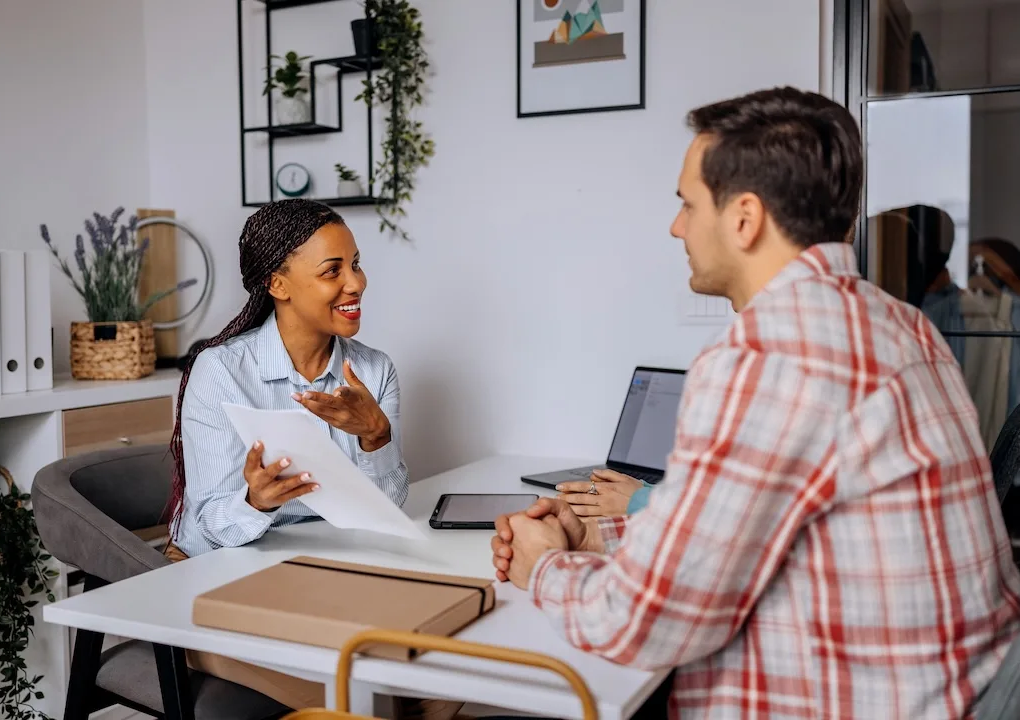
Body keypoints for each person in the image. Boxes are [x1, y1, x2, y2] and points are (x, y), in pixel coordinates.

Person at [491, 87, 1020, 718]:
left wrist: (544, 566)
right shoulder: (906, 326)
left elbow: (642, 624)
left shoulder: (770, 354)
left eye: (688, 204)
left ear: (744, 218)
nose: (677, 226)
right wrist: (600, 535)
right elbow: (763, 530)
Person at [163, 199, 460, 719]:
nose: (357, 283)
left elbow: (386, 508)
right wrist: (255, 502)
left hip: (325, 574)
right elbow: (209, 526)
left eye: (357, 264)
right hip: (221, 584)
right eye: (333, 271)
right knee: (376, 705)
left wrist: (376, 436)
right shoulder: (221, 371)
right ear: (278, 284)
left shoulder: (373, 370)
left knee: (449, 677)